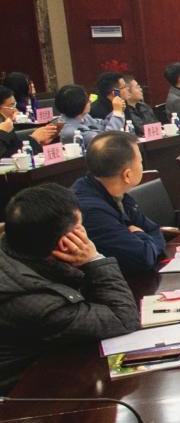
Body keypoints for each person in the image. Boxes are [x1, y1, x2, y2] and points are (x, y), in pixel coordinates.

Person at [0, 183, 140, 393]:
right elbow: (122, 319)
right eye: (80, 228)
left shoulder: (18, 248)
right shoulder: (33, 302)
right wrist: (94, 260)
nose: (85, 233)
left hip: (56, 362)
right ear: (65, 242)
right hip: (28, 395)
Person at [70, 132, 165, 276]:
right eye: (140, 162)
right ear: (127, 175)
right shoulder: (90, 210)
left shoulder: (115, 192)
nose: (142, 166)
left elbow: (154, 230)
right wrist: (140, 234)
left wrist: (143, 239)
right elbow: (143, 258)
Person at [55, 84, 125, 145]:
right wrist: (117, 113)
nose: (90, 101)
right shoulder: (70, 132)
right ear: (79, 104)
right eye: (87, 100)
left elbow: (103, 124)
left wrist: (117, 110)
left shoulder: (83, 116)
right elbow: (107, 140)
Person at [1, 86, 58, 157]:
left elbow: (16, 149)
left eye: (15, 105)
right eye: (11, 106)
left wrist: (38, 142)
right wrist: (34, 139)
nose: (15, 110)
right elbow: (6, 156)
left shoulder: (7, 125)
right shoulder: (4, 128)